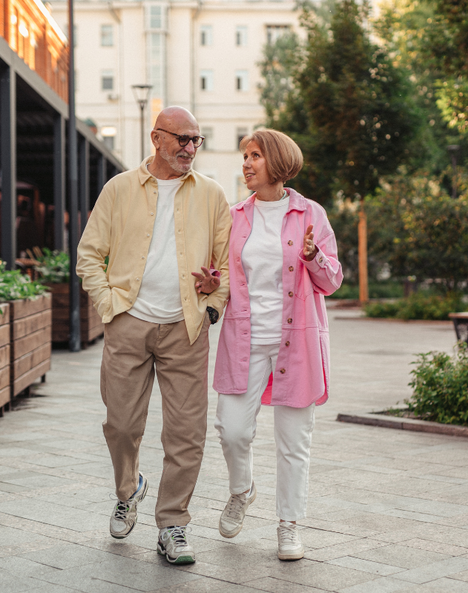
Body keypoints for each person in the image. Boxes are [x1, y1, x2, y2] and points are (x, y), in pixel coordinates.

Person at [76, 106, 231, 565]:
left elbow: (226, 264)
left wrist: (211, 303)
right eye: (181, 139)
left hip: (186, 327)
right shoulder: (119, 189)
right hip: (129, 322)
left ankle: (173, 525)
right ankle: (129, 489)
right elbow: (89, 255)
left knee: (187, 433)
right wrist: (109, 307)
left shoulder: (213, 195)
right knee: (121, 424)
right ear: (156, 138)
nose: (189, 149)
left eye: (196, 141)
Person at [211, 129, 342, 560]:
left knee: (293, 440)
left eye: (255, 156)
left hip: (296, 343)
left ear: (278, 162)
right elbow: (223, 276)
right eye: (245, 156)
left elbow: (332, 281)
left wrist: (312, 258)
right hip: (244, 340)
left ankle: (289, 524)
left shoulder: (311, 214)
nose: (246, 164)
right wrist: (213, 283)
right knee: (232, 431)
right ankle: (241, 489)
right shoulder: (235, 217)